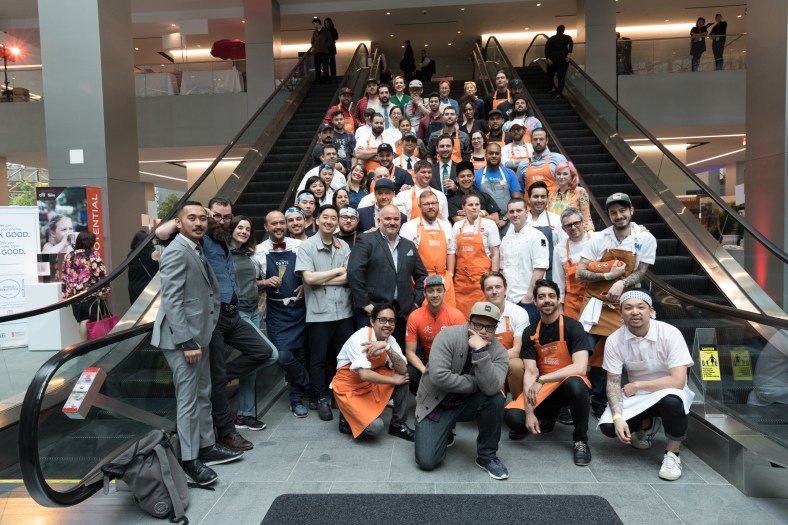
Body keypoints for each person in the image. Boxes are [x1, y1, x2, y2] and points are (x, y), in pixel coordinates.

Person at [152, 201, 242, 486]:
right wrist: (186, 341)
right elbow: (172, 301)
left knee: (203, 393)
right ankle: (190, 461)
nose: (199, 223)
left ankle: (206, 446)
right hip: (183, 340)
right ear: (178, 223)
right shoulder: (176, 251)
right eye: (192, 218)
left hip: (199, 335)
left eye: (203, 218)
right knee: (188, 401)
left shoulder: (196, 247)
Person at [576, 192, 657, 418]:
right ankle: (575, 396)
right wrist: (607, 275)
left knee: (611, 353)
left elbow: (641, 272)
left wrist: (621, 283)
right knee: (581, 350)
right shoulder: (599, 238)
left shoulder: (645, 239)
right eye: (613, 212)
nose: (619, 216)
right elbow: (579, 273)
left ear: (631, 211)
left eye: (623, 210)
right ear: (608, 215)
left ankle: (600, 400)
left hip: (622, 303)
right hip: (595, 302)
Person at [599, 291, 695, 481]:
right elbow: (613, 383)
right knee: (609, 427)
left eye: (640, 307)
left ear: (651, 311)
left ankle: (673, 454)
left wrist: (638, 384)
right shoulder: (614, 339)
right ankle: (648, 425)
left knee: (673, 401)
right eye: (628, 307)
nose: (635, 312)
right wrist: (617, 417)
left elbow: (678, 381)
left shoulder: (670, 333)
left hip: (668, 390)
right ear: (621, 313)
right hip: (638, 396)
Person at [202, 198, 274, 451]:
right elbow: (165, 233)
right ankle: (226, 431)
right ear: (208, 215)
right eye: (217, 216)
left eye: (226, 217)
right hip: (213, 315)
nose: (221, 221)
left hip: (233, 313)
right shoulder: (201, 238)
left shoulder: (224, 240)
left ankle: (218, 377)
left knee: (264, 352)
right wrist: (200, 217)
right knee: (217, 377)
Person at [414, 301, 510, 480]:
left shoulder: (500, 352)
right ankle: (444, 430)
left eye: (489, 327)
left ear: (495, 329)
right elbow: (439, 376)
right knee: (427, 461)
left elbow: (491, 388)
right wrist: (474, 384)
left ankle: (487, 456)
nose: (482, 331)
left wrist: (481, 351)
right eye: (478, 325)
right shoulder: (448, 336)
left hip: (466, 403)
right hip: (436, 404)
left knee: (495, 398)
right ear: (469, 322)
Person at [504, 279, 592, 466]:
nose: (547, 300)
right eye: (542, 297)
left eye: (551, 296)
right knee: (514, 419)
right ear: (535, 302)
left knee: (575, 384)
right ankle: (549, 416)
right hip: (546, 388)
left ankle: (580, 440)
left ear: (558, 300)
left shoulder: (573, 327)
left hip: (569, 384)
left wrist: (542, 379)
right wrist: (529, 413)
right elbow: (529, 373)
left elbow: (580, 367)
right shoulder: (530, 332)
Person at [295, 204, 356, 421]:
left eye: (333, 218)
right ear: (317, 220)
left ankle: (341, 393)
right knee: (318, 358)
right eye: (326, 217)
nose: (330, 221)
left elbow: (348, 277)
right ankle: (320, 398)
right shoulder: (307, 246)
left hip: (344, 311)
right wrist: (336, 272)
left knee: (345, 357)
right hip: (319, 313)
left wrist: (321, 279)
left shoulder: (343, 246)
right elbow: (308, 278)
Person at [253, 211, 312, 418]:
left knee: (301, 356)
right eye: (274, 224)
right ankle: (310, 385)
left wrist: (305, 285)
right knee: (283, 356)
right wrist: (264, 282)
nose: (278, 226)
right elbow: (249, 282)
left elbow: (311, 272)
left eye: (281, 223)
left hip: (300, 309)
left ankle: (296, 400)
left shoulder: (300, 246)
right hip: (277, 311)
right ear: (266, 227)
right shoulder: (258, 251)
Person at [228, 216, 281, 431]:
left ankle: (245, 414)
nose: (244, 231)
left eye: (248, 229)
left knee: (252, 360)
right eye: (239, 227)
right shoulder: (223, 253)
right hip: (238, 312)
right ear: (231, 229)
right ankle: (221, 375)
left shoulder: (246, 254)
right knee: (270, 354)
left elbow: (249, 282)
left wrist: (264, 282)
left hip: (253, 310)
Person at [347, 204, 428, 344]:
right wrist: (366, 304)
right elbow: (354, 273)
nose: (392, 222)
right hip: (372, 312)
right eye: (388, 219)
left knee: (396, 352)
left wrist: (414, 303)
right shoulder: (365, 240)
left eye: (396, 219)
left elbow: (423, 277)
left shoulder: (409, 245)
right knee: (369, 352)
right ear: (379, 221)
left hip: (401, 314)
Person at [334, 303, 415, 441]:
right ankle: (346, 416)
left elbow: (402, 369)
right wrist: (393, 380)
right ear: (372, 321)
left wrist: (387, 347)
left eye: (391, 321)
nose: (387, 325)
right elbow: (364, 374)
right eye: (382, 320)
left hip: (371, 382)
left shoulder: (390, 340)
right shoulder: (359, 338)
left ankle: (398, 425)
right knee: (375, 427)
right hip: (350, 386)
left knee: (403, 376)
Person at [404, 275, 465, 394]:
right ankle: (423, 398)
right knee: (409, 373)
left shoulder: (456, 316)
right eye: (430, 291)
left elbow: (463, 351)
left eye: (439, 290)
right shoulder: (415, 317)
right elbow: (410, 352)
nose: (435, 295)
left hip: (451, 363)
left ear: (444, 292)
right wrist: (425, 371)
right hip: (427, 362)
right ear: (424, 293)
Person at [400, 189, 456, 307]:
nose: (431, 207)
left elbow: (451, 252)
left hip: (443, 280)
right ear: (419, 207)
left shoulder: (446, 226)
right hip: (421, 281)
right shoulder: (409, 227)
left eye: (433, 203)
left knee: (447, 314)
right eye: (426, 204)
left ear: (438, 205)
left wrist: (450, 274)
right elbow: (405, 258)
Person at [480, 271, 530, 402]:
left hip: (509, 360)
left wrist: (492, 359)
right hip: (488, 363)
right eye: (489, 288)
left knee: (516, 366)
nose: (494, 291)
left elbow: (517, 351)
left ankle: (519, 403)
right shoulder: (478, 315)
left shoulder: (518, 313)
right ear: (484, 292)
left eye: (498, 287)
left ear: (505, 289)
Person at [449, 192, 501, 318]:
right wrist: (451, 275)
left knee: (481, 316)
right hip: (461, 281)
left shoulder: (489, 225)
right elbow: (453, 253)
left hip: (482, 280)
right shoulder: (457, 226)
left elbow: (495, 254)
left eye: (477, 204)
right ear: (463, 207)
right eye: (470, 205)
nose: (474, 207)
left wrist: (493, 277)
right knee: (461, 317)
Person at [499, 198, 549, 324]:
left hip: (527, 301)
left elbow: (540, 269)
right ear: (507, 214)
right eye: (511, 211)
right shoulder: (506, 239)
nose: (515, 214)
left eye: (519, 211)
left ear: (527, 212)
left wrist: (528, 296)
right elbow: (503, 268)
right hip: (508, 300)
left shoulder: (537, 236)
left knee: (529, 335)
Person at [61, 231, 110, 341]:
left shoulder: (68, 256)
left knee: (82, 320)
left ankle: (85, 343)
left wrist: (65, 294)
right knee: (86, 320)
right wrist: (104, 290)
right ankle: (82, 345)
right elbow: (100, 274)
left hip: (74, 295)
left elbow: (64, 276)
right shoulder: (92, 255)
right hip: (89, 294)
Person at [553, 207, 595, 320]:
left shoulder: (597, 239)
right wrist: (559, 308)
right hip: (572, 303)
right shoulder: (559, 249)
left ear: (582, 222)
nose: (573, 227)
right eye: (568, 225)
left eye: (576, 223)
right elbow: (558, 281)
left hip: (595, 299)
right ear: (563, 228)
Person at [526, 181, 568, 283]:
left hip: (551, 275)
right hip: (526, 274)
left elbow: (565, 247)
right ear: (528, 199)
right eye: (536, 196)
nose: (539, 200)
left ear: (547, 199)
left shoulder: (556, 220)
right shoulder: (522, 220)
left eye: (543, 197)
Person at [474, 142, 522, 215]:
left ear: (501, 155)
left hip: (508, 217)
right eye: (491, 153)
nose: (494, 156)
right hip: (485, 218)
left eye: (497, 153)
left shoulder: (510, 173)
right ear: (485, 155)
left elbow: (517, 199)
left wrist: (508, 217)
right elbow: (474, 200)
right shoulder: (476, 174)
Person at [448, 161, 501, 225]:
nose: (466, 179)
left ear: (474, 178)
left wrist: (472, 214)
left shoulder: (485, 196)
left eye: (469, 176)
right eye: (462, 176)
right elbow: (460, 221)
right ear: (457, 179)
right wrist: (483, 213)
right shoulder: (452, 201)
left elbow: (496, 219)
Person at [516, 128, 566, 196]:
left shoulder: (559, 159)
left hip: (554, 202)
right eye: (535, 139)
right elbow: (519, 190)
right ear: (531, 141)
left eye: (541, 139)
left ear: (547, 141)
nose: (538, 142)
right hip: (529, 202)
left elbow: (569, 183)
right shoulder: (523, 164)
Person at [548, 161, 593, 233]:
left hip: (574, 233)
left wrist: (590, 233)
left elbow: (586, 216)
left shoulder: (580, 192)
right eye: (558, 174)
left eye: (565, 174)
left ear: (571, 176)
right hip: (555, 233)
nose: (561, 177)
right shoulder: (551, 195)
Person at [127, 229, 158, 304]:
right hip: (149, 289)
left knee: (135, 310)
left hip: (133, 289)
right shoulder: (153, 253)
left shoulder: (130, 255)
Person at [545, 25, 573, 97]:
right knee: (560, 76)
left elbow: (547, 48)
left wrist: (547, 58)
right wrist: (569, 55)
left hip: (552, 59)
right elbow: (571, 44)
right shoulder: (567, 37)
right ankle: (559, 92)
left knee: (550, 75)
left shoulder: (551, 39)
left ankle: (552, 88)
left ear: (556, 30)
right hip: (563, 60)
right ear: (564, 30)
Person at [310, 17, 332, 83]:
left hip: (324, 52)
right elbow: (312, 41)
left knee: (325, 66)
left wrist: (325, 46)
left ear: (317, 23)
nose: (313, 25)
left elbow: (330, 40)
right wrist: (314, 47)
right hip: (316, 52)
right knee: (317, 67)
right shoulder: (314, 32)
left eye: (314, 24)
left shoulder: (325, 30)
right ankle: (318, 80)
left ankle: (326, 80)